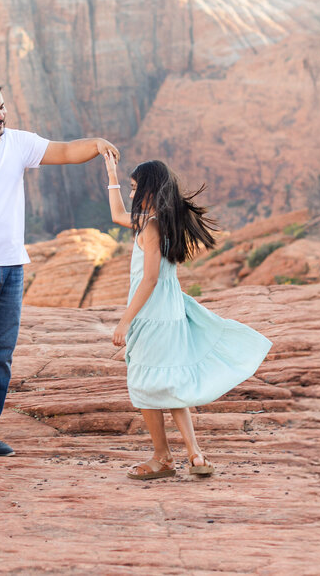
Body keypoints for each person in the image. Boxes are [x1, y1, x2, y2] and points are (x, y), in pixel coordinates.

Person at [0, 78, 119, 470]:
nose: (0, 116)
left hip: (10, 268)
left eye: (2, 107)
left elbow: (62, 151)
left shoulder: (18, 142)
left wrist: (96, 145)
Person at [103, 155, 272, 480]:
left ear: (149, 192)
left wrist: (126, 320)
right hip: (171, 312)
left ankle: (162, 458)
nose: (131, 194)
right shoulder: (164, 221)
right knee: (169, 382)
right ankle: (195, 454)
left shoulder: (150, 227)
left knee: (144, 385)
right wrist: (111, 172)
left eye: (135, 188)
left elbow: (149, 279)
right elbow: (116, 214)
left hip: (152, 316)